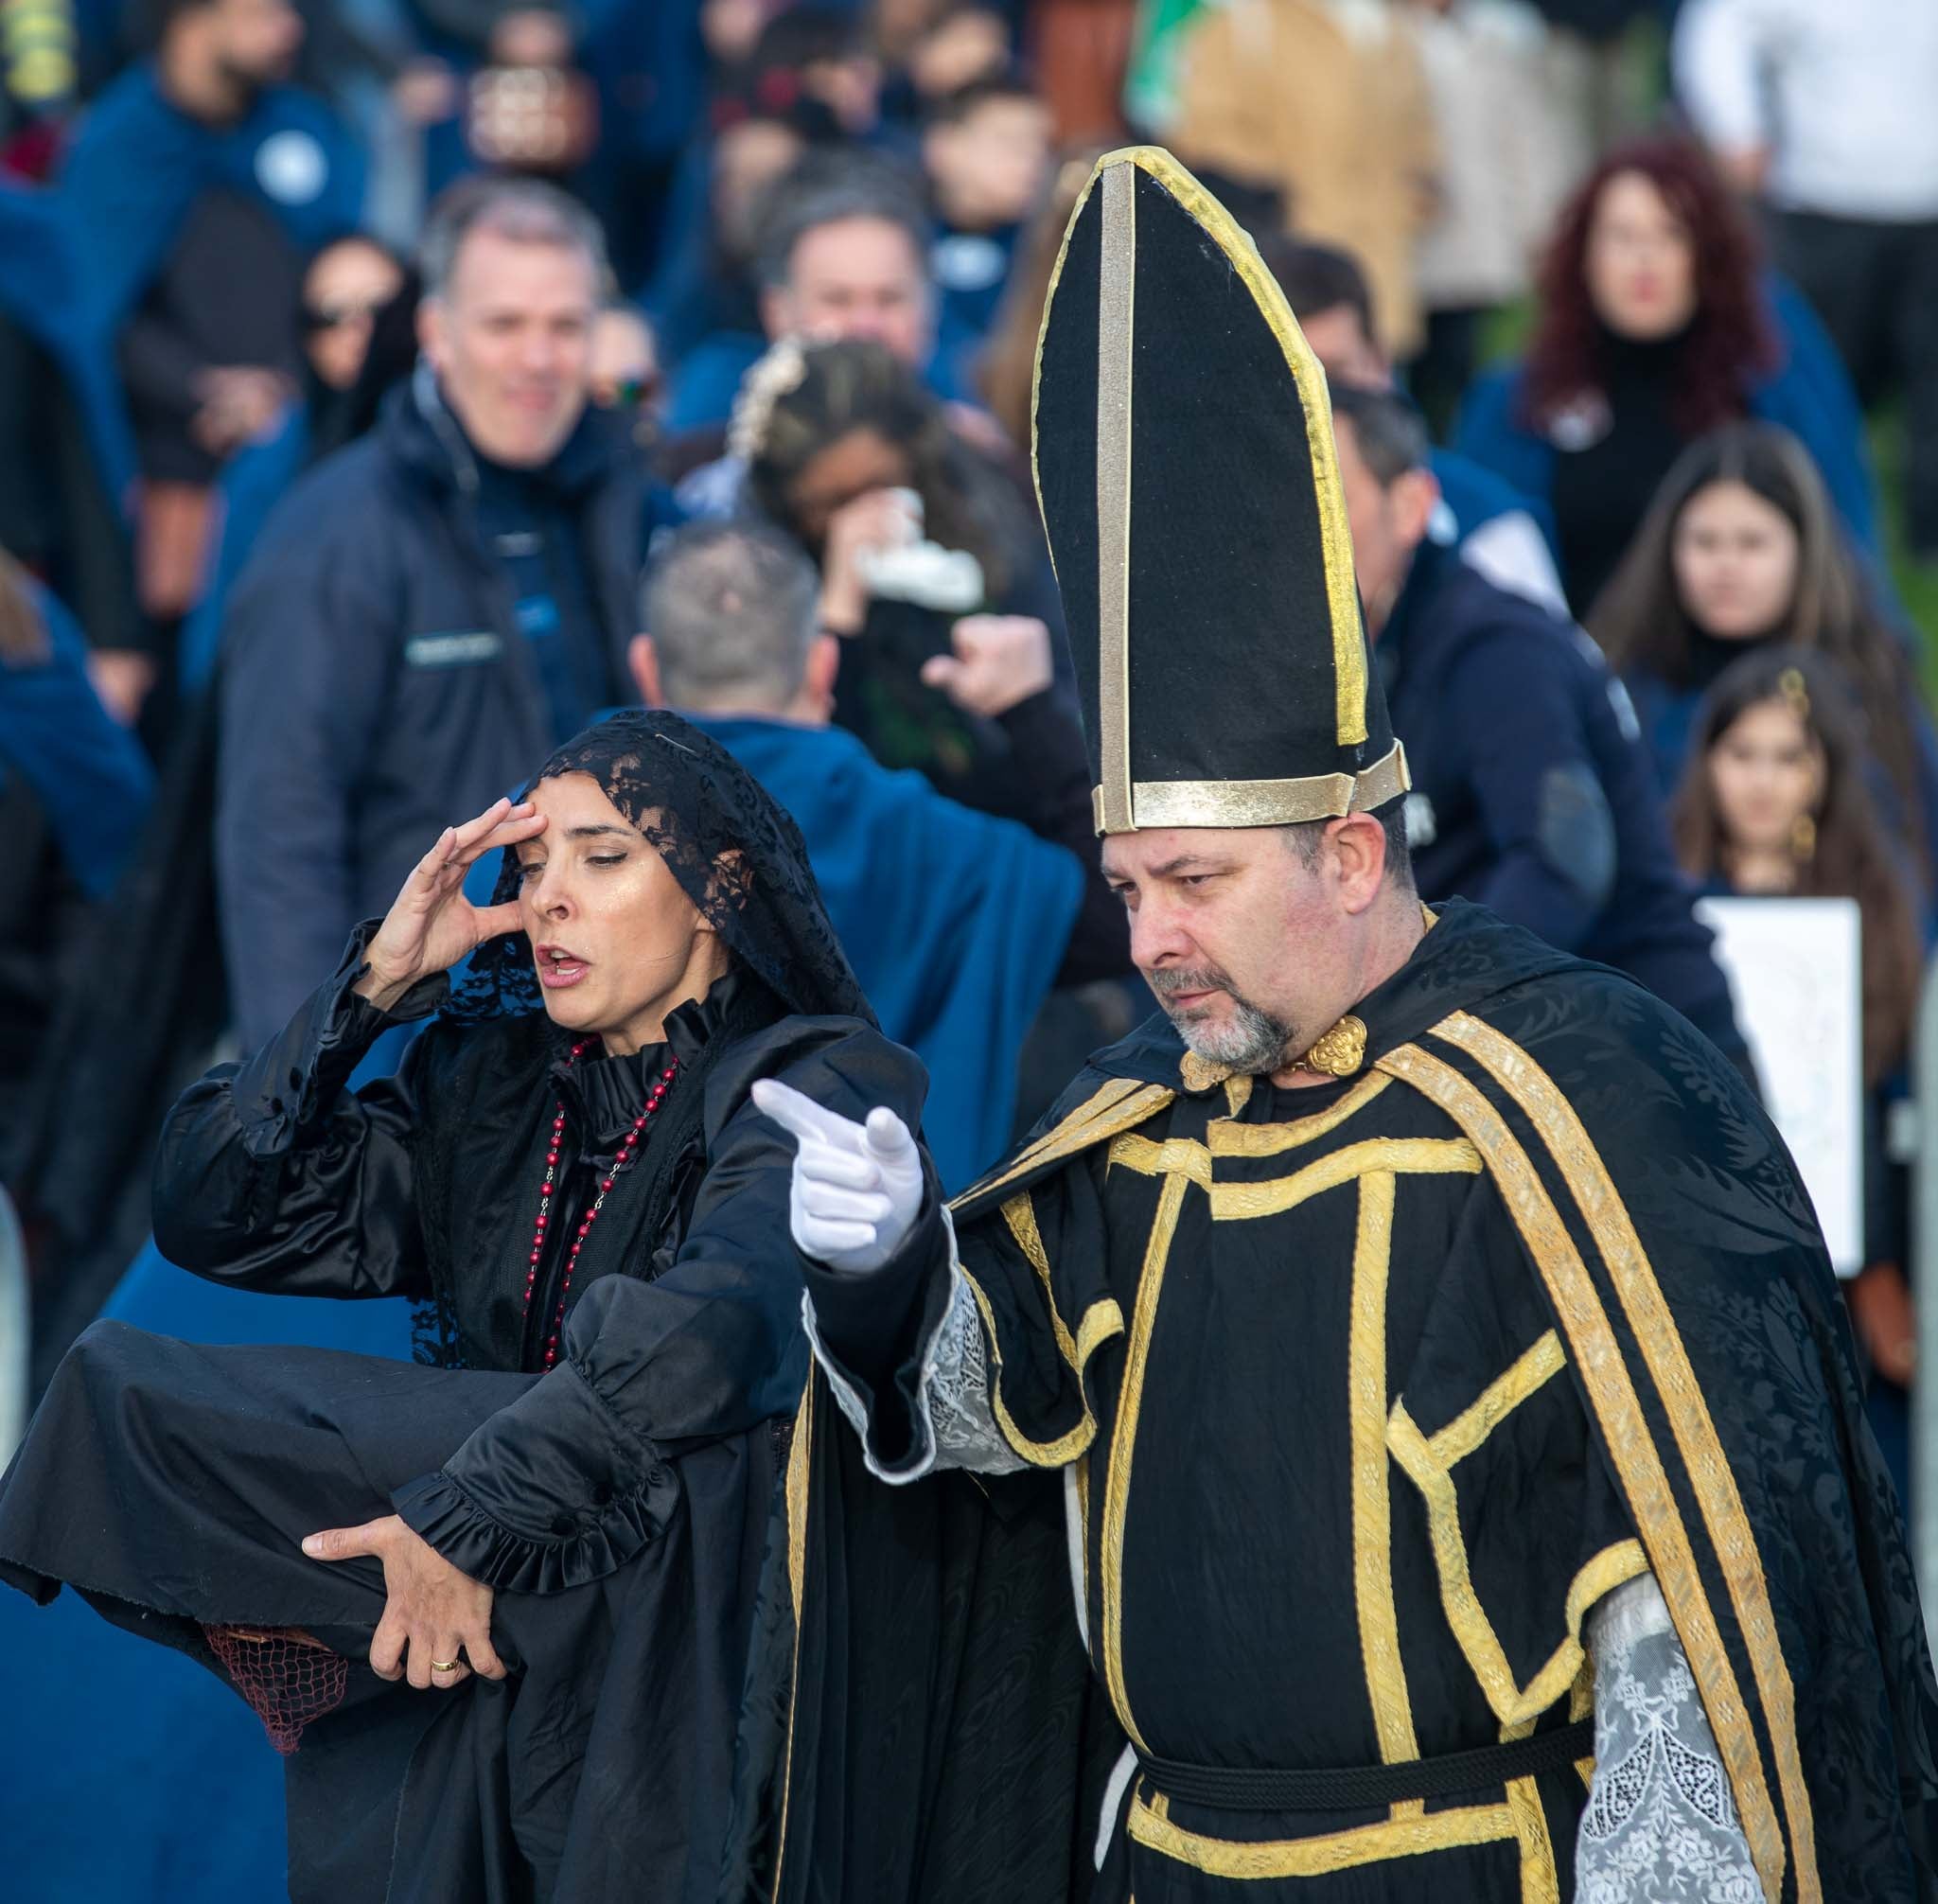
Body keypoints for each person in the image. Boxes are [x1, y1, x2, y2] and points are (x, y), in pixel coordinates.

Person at [729, 147, 1938, 1902]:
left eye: (1197, 883)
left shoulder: (1582, 1097)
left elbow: (1697, 1617)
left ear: (1352, 850)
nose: (1147, 941)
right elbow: (987, 1422)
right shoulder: (1140, 1105)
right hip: (1153, 1860)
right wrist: (884, 1275)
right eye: (1126, 885)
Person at [0, 708, 925, 1903]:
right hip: (491, 1600)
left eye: (601, 857)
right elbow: (220, 1209)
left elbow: (713, 1331)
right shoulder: (492, 1089)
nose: (548, 899)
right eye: (530, 865)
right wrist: (375, 985)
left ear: (714, 887)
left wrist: (462, 1517)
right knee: (124, 1386)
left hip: (687, 1629)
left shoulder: (820, 1074)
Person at [216, 177, 649, 1052]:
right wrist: (309, 1096)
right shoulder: (335, 535)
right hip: (419, 1059)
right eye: (504, 324)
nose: (538, 358)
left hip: (608, 1046)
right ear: (434, 332)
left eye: (564, 326)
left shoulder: (630, 504)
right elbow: (278, 839)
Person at [633, 519, 1125, 1189]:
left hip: (626, 1275)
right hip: (882, 1250)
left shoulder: (549, 826)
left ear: (644, 667)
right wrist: (1028, 709)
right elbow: (1120, 913)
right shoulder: (917, 835)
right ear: (821, 665)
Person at [1329, 379, 1748, 1070]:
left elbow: (1563, 864)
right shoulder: (1341, 652)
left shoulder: (1496, 647)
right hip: (1489, 1040)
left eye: (1330, 502)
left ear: (1411, 507)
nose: (1302, 535)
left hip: (1649, 1058)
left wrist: (1401, 1006)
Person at [1669, 646, 1927, 1487]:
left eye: (1789, 757)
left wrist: (1885, 1266)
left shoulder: (1879, 911)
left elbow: (1891, 1100)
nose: (1763, 781)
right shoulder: (1668, 916)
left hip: (1852, 1263)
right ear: (1706, 761)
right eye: (1742, 754)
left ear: (1826, 773)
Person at [1454, 135, 1881, 615]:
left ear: (1706, 256)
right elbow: (1470, 562)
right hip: (1570, 670)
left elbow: (1847, 542)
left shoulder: (1772, 373)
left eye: (1671, 234)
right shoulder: (1517, 401)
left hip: (1740, 676)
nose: (1645, 259)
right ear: (1584, 257)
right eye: (1623, 236)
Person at [60, 0, 364, 646]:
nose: (291, 29)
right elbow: (92, 319)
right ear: (191, 19)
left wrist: (285, 385)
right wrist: (203, 388)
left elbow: (347, 273)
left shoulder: (306, 127)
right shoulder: (117, 144)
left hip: (303, 452)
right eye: (264, 13)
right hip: (164, 487)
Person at [1588, 421, 1938, 890]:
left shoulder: (1866, 684)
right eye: (1705, 542)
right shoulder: (1621, 684)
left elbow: (1918, 851)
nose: (1725, 566)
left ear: (1803, 548)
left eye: (1753, 543)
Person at [738, 334, 1074, 820]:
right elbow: (812, 777)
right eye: (831, 505)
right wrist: (838, 614)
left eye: (879, 485)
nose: (865, 518)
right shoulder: (766, 579)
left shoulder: (983, 523)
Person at [1674, 0, 1938, 557]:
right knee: (1817, 384)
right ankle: (1812, 523)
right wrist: (1736, 127)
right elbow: (1719, 28)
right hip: (1823, 201)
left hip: (1930, 205)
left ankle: (1926, 538)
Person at [1258, 234, 1567, 614]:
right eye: (1282, 383)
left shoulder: (1485, 532)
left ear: (1381, 366)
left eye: (1331, 376)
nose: (1313, 405)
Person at [1170, 0, 1441, 359]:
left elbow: (1420, 144)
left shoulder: (1389, 27)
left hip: (1381, 274)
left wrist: (1403, 210)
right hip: (1288, 278)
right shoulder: (1242, 22)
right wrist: (1281, 197)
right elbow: (1205, 138)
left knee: (1375, 392)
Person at [922, 70, 1054, 352]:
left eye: (1040, 144)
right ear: (944, 147)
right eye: (1010, 142)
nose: (1031, 161)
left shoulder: (1052, 250)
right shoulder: (900, 240)